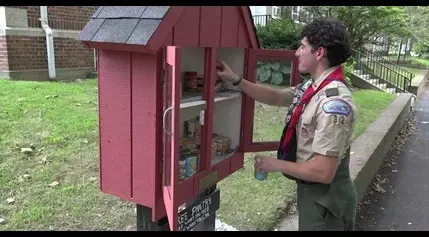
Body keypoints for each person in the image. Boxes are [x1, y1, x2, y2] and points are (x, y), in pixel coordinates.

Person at [216, 18, 357, 231]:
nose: (297, 53)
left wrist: (275, 165)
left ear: (319, 53)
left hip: (327, 203)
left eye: (302, 47)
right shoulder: (313, 86)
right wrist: (236, 80)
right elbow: (276, 97)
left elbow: (323, 172)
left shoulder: (333, 102)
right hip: (314, 195)